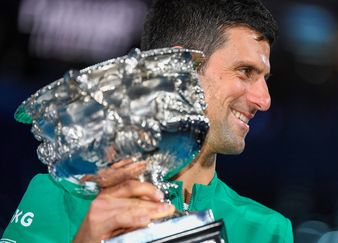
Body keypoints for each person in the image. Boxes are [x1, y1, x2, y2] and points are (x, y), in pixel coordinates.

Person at [1, 0, 293, 242]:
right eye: (245, 71)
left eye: (264, 79)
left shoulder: (267, 230)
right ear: (179, 69)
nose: (264, 100)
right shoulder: (59, 196)